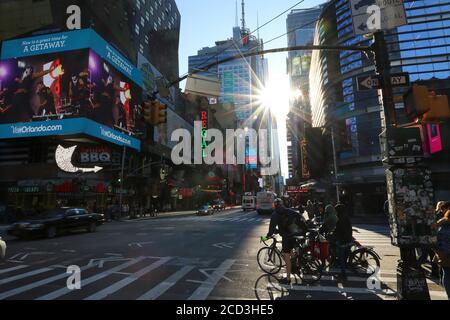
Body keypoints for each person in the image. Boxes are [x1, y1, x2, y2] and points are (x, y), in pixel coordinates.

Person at [264, 198, 308, 285]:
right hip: (293, 235)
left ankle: (288, 279)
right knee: (291, 251)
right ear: (282, 204)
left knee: (287, 257)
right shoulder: (289, 210)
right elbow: (300, 216)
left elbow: (271, 230)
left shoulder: (275, 214)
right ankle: (295, 267)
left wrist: (267, 236)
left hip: (286, 238)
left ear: (275, 205)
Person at [433, 201, 450, 298]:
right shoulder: (441, 225)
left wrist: (439, 252)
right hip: (445, 253)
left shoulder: (441, 226)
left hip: (444, 254)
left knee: (447, 274)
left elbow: (435, 242)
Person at [334, 203, 353, 280]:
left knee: (341, 258)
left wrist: (334, 234)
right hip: (348, 239)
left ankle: (343, 274)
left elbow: (338, 230)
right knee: (344, 257)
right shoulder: (346, 217)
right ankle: (344, 270)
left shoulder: (339, 218)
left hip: (342, 240)